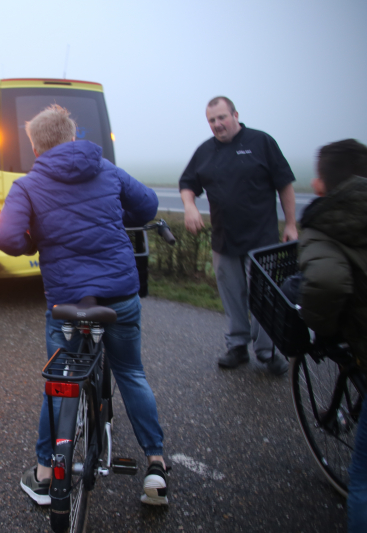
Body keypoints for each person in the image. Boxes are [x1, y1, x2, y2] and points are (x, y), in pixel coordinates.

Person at [0, 105, 169, 507]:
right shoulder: (105, 169)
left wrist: (33, 242)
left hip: (68, 303)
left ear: (36, 147)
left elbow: (5, 237)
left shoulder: (29, 184)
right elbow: (147, 206)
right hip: (119, 297)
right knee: (130, 372)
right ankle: (156, 466)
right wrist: (115, 214)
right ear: (73, 137)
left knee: (61, 381)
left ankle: (43, 474)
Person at [179, 96, 297, 375]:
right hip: (224, 239)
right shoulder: (205, 151)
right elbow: (187, 184)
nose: (217, 124)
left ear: (235, 115)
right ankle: (237, 346)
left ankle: (267, 352)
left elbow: (285, 184)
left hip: (261, 239)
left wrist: (291, 223)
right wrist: (189, 206)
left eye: (222, 117)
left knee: (265, 298)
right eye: (211, 120)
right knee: (232, 295)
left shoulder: (261, 142)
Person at [296, 139, 367, 533]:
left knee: (363, 481)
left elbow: (325, 282)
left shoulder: (325, 220)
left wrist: (319, 327)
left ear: (320, 184)